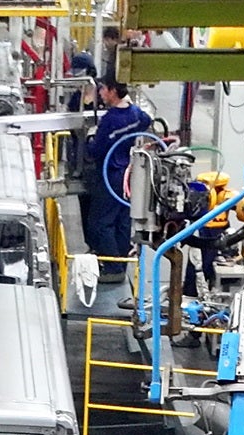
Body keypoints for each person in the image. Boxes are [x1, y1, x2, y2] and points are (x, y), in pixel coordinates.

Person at [80, 77, 153, 306]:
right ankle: (121, 261)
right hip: (129, 174)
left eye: (103, 89)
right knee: (122, 219)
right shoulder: (135, 114)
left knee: (99, 223)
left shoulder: (111, 120)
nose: (100, 93)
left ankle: (113, 268)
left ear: (112, 91)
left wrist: (88, 138)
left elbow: (96, 150)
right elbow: (147, 120)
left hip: (110, 173)